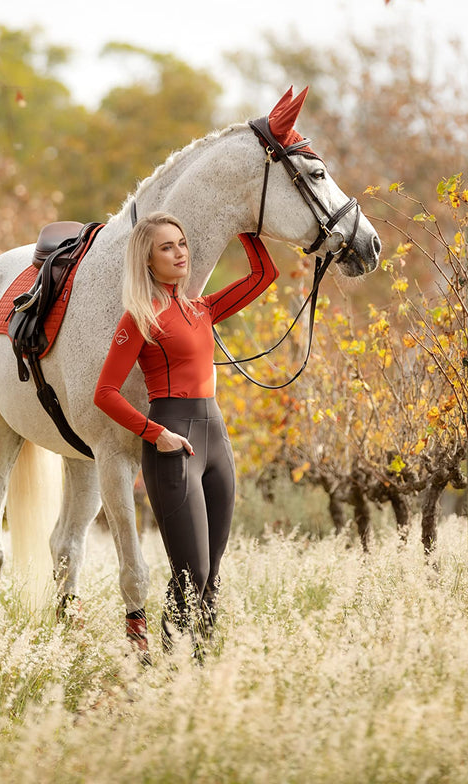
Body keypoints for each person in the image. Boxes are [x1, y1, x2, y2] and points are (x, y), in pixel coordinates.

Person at [93, 211, 278, 655]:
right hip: (173, 444)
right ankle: (172, 673)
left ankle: (200, 674)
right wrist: (155, 433)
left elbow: (264, 273)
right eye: (166, 247)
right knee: (190, 575)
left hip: (217, 439)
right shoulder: (139, 317)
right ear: (147, 261)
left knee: (211, 576)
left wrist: (245, 224)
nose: (179, 253)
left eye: (182, 243)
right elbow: (105, 393)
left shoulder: (202, 308)